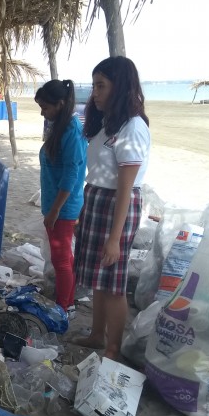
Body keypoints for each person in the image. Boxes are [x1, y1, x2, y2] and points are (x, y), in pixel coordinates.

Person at [72, 56, 150, 360]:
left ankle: (113, 348)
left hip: (118, 206)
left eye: (101, 86)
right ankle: (95, 335)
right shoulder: (109, 124)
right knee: (98, 278)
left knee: (114, 282)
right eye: (94, 86)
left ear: (121, 87)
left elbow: (126, 188)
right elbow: (98, 173)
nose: (95, 93)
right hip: (97, 201)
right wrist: (83, 208)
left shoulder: (133, 127)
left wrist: (115, 238)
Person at [34, 79, 87, 314]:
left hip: (63, 207)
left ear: (61, 104)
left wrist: (55, 210)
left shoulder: (72, 132)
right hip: (55, 203)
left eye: (46, 108)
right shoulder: (60, 127)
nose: (42, 113)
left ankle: (64, 306)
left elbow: (71, 175)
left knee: (61, 259)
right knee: (63, 258)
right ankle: (67, 298)